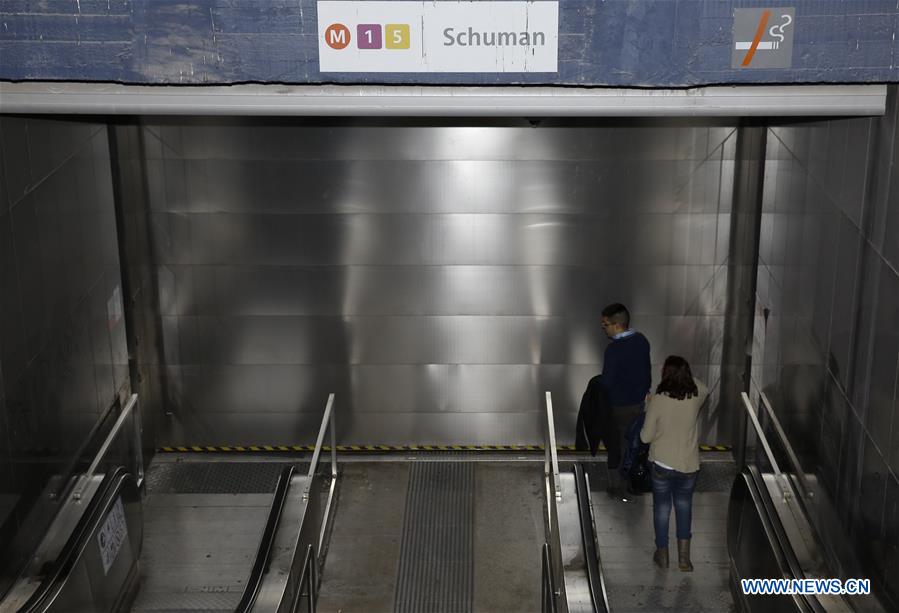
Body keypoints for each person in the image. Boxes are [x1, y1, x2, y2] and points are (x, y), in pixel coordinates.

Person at [640, 355, 709, 572]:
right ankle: (684, 559)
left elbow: (645, 437)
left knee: (661, 509)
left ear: (665, 375)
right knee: (684, 507)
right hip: (688, 465)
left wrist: (647, 406)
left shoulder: (658, 400)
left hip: (662, 464)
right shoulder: (696, 395)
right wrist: (685, 375)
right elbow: (703, 386)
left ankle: (662, 555)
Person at [599, 303, 652, 498]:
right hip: (639, 403)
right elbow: (647, 372)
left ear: (617, 325)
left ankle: (621, 488)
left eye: (605, 324)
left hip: (619, 406)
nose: (603, 329)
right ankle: (636, 481)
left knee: (620, 447)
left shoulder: (613, 350)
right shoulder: (642, 341)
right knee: (636, 444)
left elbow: (607, 382)